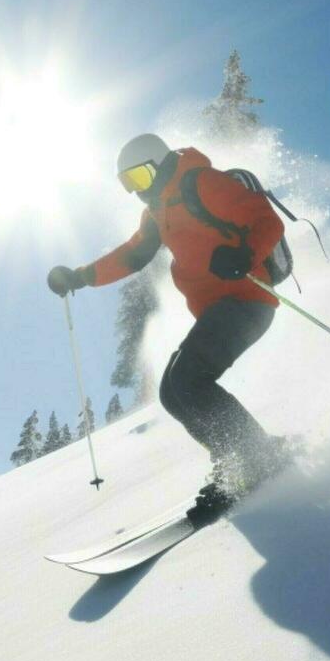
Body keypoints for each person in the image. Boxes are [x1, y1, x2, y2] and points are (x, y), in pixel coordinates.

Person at [48, 133, 289, 525]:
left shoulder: (202, 183)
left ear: (159, 165)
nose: (137, 192)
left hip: (248, 301)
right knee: (173, 392)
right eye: (129, 185)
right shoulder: (157, 212)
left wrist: (246, 253)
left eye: (140, 179)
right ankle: (237, 459)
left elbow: (266, 220)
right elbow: (131, 256)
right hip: (218, 310)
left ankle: (255, 457)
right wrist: (80, 277)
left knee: (190, 381)